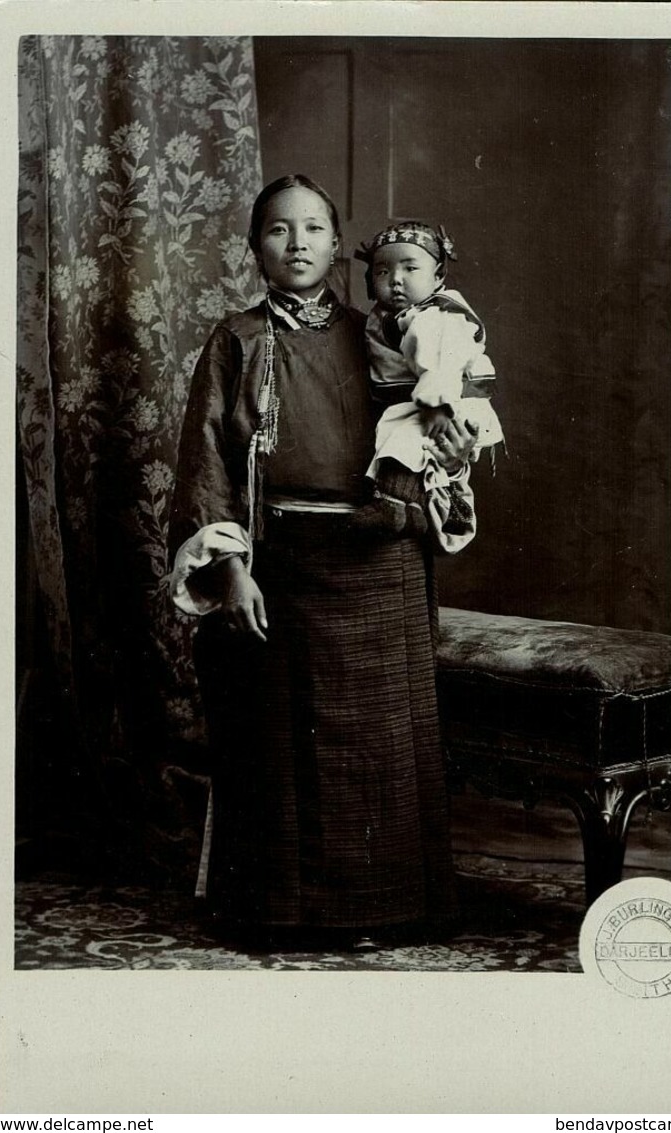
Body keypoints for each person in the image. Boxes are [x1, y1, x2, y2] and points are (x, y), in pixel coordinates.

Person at [168, 174, 479, 951]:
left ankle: (390, 907)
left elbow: (429, 419)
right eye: (278, 229)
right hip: (282, 562)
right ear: (254, 247)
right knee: (280, 742)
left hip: (380, 556)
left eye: (312, 229)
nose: (297, 243)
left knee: (381, 742)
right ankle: (282, 912)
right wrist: (230, 567)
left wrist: (453, 442)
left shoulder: (383, 333)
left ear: (337, 246)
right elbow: (205, 457)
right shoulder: (236, 339)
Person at [352, 221, 503, 553]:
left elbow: (442, 358)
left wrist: (437, 402)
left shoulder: (435, 315)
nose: (395, 279)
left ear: (438, 276)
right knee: (419, 453)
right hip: (423, 397)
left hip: (445, 397)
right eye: (382, 271)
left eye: (410, 268)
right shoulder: (394, 315)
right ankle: (413, 510)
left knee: (402, 443)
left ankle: (393, 504)